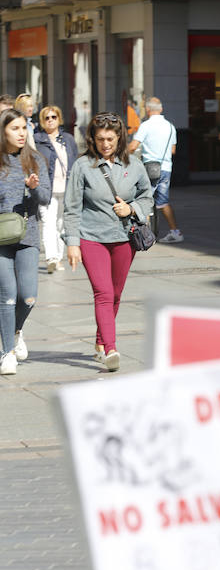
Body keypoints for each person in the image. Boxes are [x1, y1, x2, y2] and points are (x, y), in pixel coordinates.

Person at [63, 112, 153, 372]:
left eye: (110, 139)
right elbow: (71, 207)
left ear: (119, 138)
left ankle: (100, 341)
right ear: (93, 139)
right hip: (92, 237)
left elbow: (148, 196)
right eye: (100, 139)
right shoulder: (82, 166)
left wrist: (132, 208)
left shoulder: (134, 165)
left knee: (115, 294)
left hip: (124, 238)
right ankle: (111, 349)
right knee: (102, 292)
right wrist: (72, 242)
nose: (105, 144)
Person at [0, 108, 51, 375]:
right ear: (3, 132)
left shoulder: (35, 159)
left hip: (28, 235)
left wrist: (33, 187)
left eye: (23, 128)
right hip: (0, 239)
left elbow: (46, 199)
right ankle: (6, 352)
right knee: (7, 297)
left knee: (28, 297)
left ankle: (17, 331)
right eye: (14, 129)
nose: (21, 133)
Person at [128, 97, 183, 244]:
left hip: (149, 168)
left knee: (144, 199)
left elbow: (133, 146)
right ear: (161, 109)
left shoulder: (146, 125)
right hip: (166, 168)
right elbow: (173, 150)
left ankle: (144, 234)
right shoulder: (170, 126)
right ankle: (175, 232)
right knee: (163, 201)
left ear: (147, 110)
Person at [34, 105, 79, 273]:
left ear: (59, 119)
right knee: (48, 223)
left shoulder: (68, 139)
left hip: (66, 189)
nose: (50, 120)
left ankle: (58, 258)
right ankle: (51, 258)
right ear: (42, 121)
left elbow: (75, 162)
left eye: (54, 117)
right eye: (47, 118)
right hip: (47, 190)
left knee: (62, 224)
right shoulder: (37, 140)